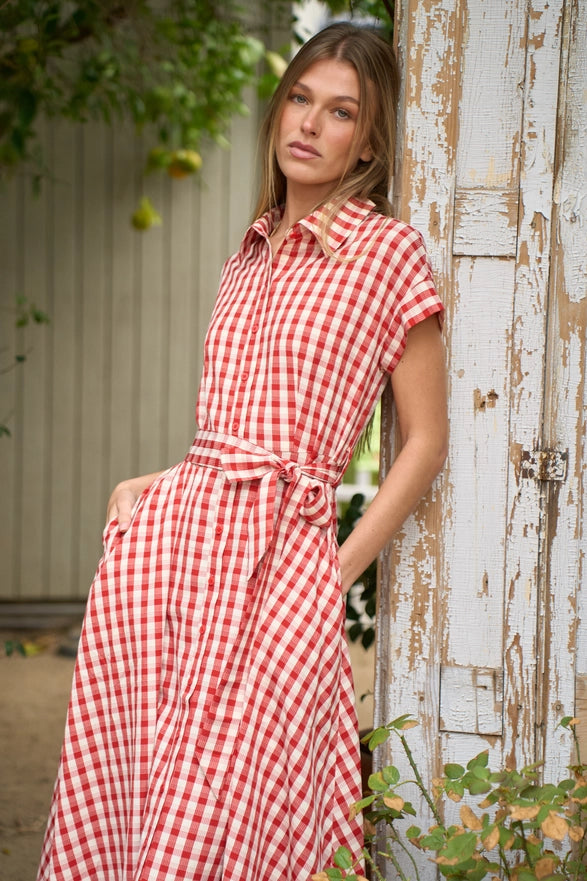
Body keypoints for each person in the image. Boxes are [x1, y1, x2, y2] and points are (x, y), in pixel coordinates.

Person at [38, 21, 448, 881]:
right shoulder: (245, 255)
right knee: (133, 787)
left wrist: (330, 572)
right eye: (299, 97)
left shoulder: (386, 252)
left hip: (280, 566)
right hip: (175, 554)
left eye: (340, 112)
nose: (309, 122)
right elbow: (235, 431)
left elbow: (426, 441)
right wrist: (149, 481)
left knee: (223, 810)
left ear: (368, 139)